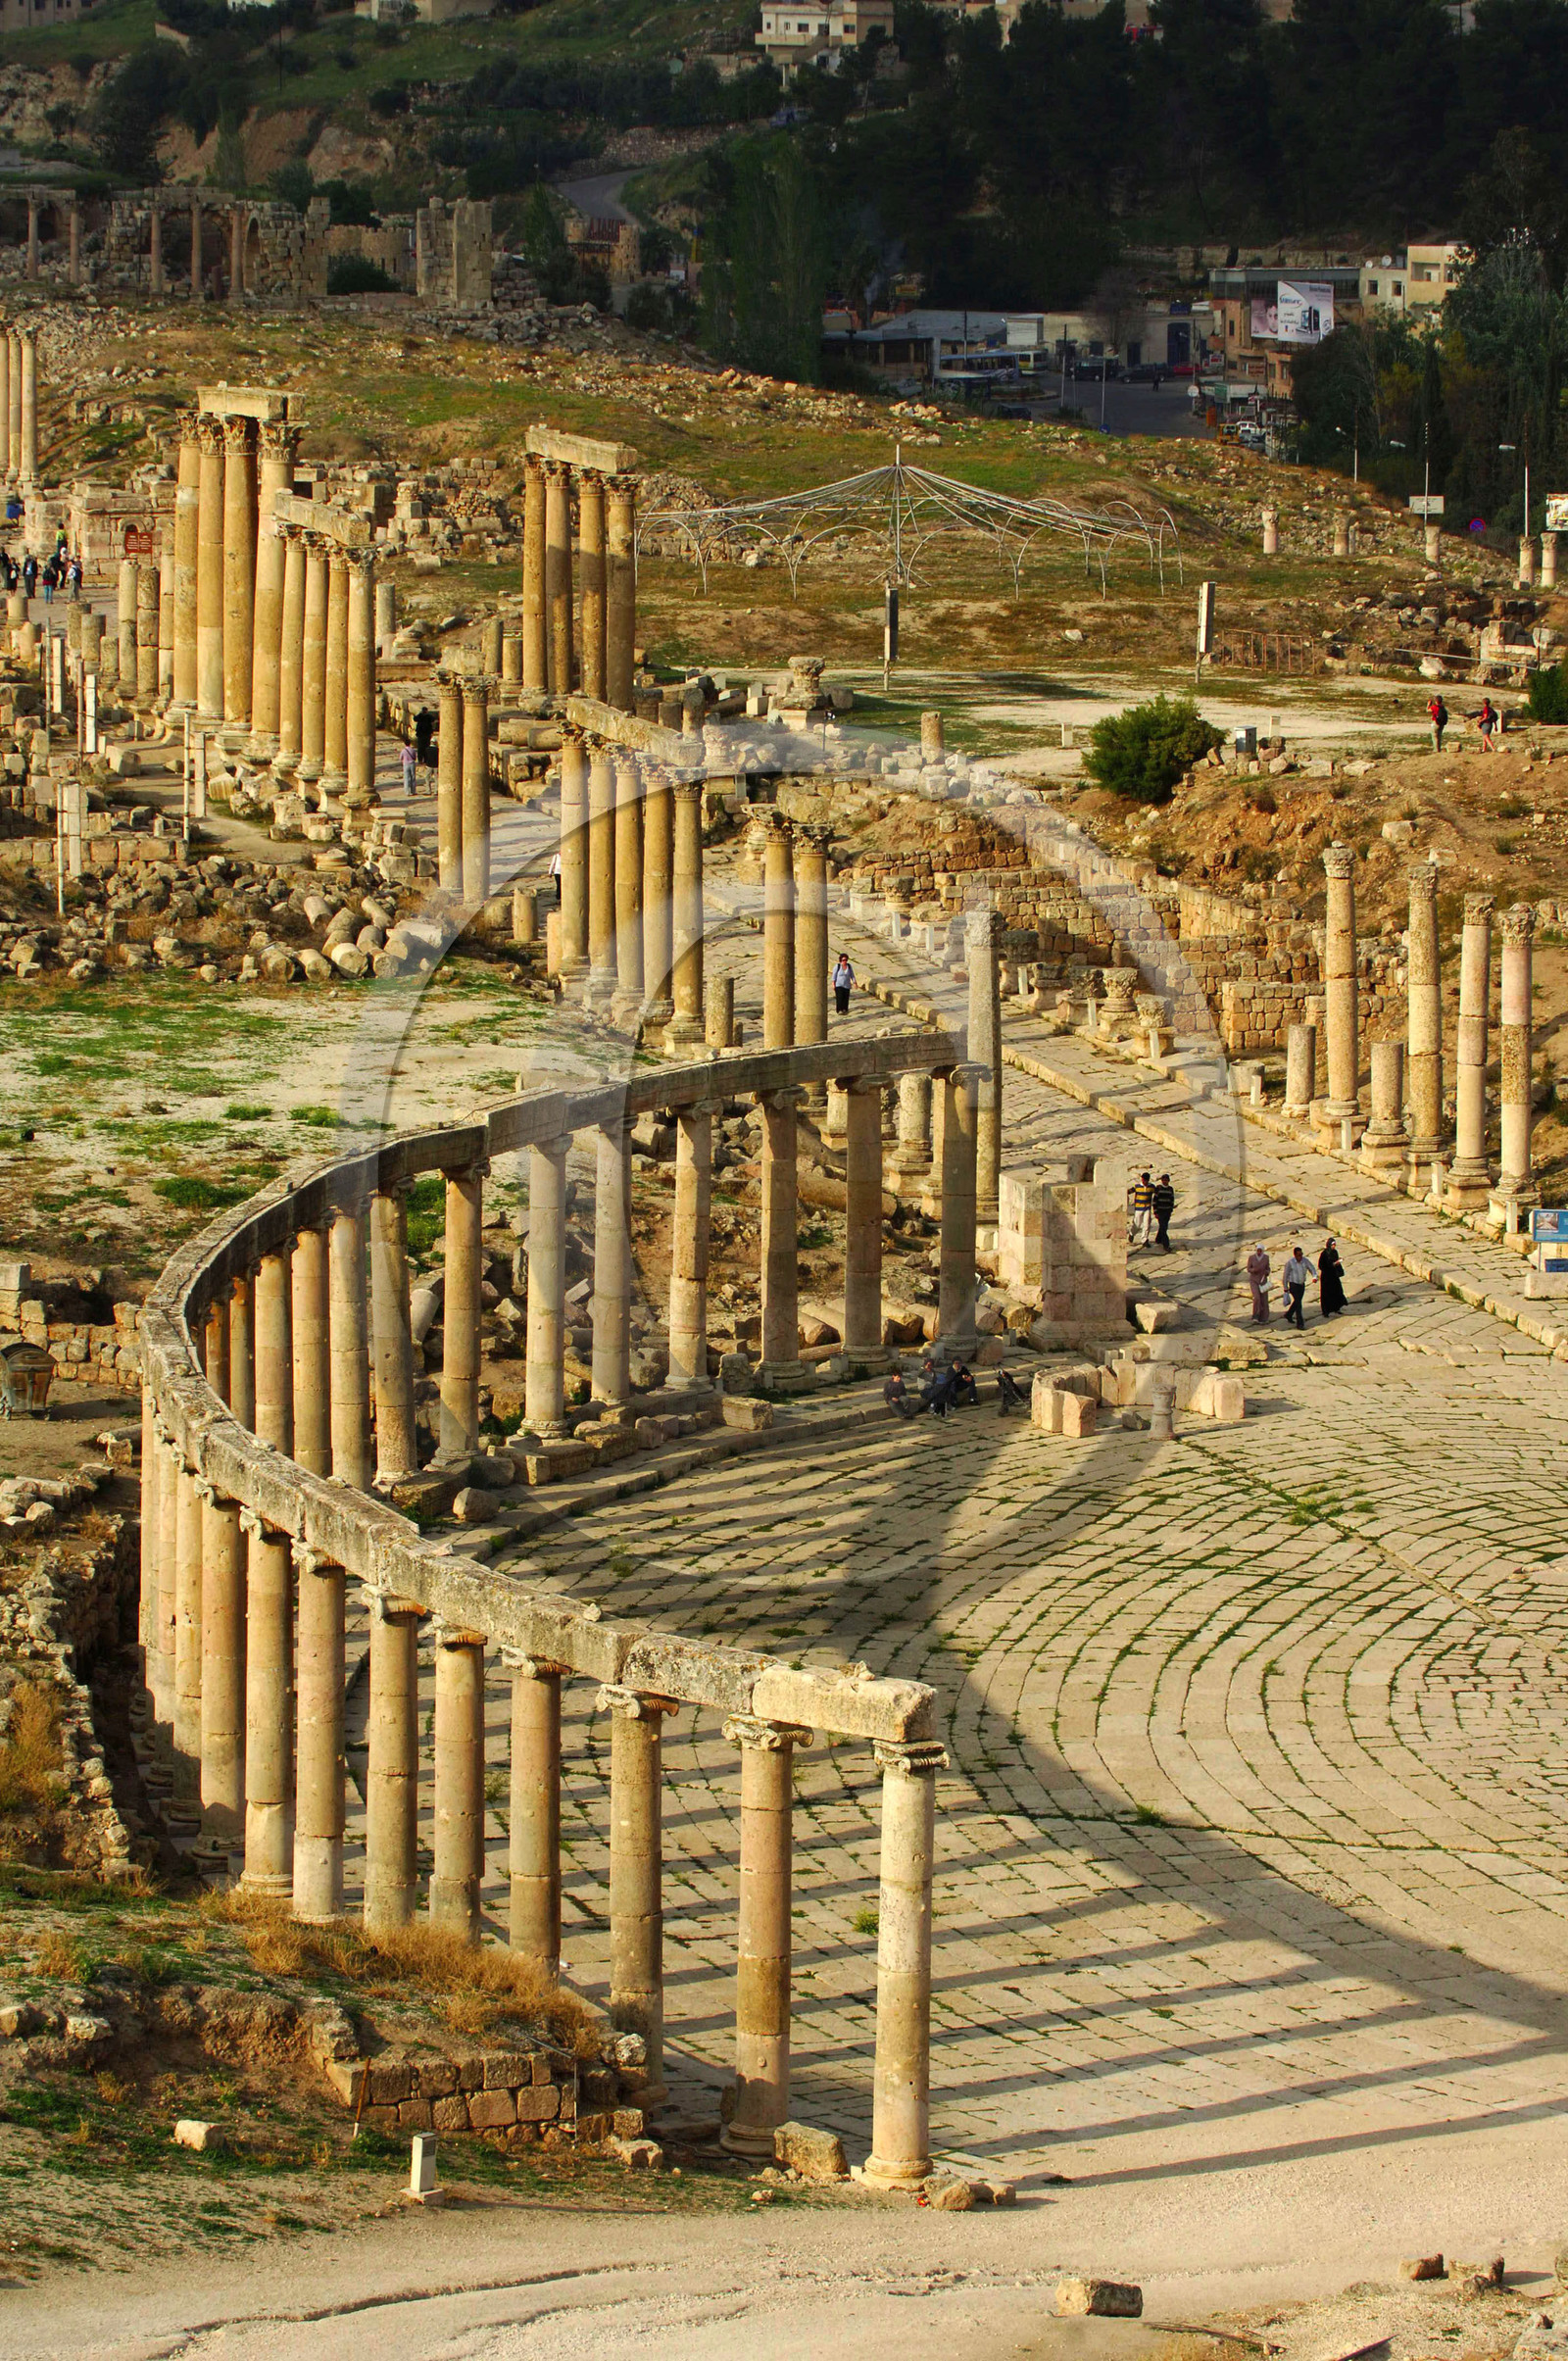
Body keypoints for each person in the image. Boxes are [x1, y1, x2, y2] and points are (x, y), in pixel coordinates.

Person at [1281, 1242, 1314, 1329]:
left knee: (1297, 1302)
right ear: (1295, 1255)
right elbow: (1285, 1275)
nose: (1300, 1257)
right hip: (1293, 1285)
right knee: (1298, 1304)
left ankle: (1289, 1314)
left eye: (1301, 1254)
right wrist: (1285, 1287)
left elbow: (1312, 1268)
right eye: (1299, 1255)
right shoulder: (1290, 1263)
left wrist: (1314, 1276)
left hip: (1301, 1285)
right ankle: (1300, 1324)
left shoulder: (1305, 1261)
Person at [1318, 1236, 1347, 1317]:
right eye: (1332, 1245)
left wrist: (1337, 1264)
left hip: (1334, 1276)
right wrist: (1332, 1265)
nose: (1334, 1246)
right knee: (1326, 1294)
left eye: (1334, 1244)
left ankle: (1337, 1308)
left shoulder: (1335, 1252)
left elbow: (1336, 1260)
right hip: (1326, 1277)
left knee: (1337, 1291)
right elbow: (1321, 1265)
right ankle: (1326, 1311)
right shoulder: (1324, 1254)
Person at [1247, 1242, 1271, 1324]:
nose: (1259, 1252)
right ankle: (1255, 1315)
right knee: (1257, 1297)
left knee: (1264, 1299)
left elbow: (1268, 1268)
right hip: (1254, 1280)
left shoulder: (1266, 1258)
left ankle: (1264, 1317)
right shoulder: (1252, 1258)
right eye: (1258, 1250)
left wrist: (1267, 1272)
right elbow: (1248, 1268)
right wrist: (1253, 1270)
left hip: (1263, 1280)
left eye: (1260, 1251)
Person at [1129, 1170, 1154, 1246]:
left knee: (1147, 1224)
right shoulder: (1137, 1187)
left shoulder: (1151, 1187)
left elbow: (1157, 1192)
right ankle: (1131, 1233)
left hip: (1147, 1208)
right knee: (1137, 1224)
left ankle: (1144, 1240)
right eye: (1143, 1180)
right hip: (1138, 1208)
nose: (1144, 1181)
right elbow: (1129, 1191)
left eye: (1146, 1180)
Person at [1152, 1172, 1175, 1251]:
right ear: (1161, 1180)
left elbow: (1172, 1200)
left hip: (1167, 1211)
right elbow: (1155, 1201)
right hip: (1160, 1211)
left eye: (1166, 1180)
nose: (1165, 1181)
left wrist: (1171, 1209)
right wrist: (1155, 1212)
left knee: (1164, 1227)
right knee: (1163, 1228)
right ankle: (1166, 1245)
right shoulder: (1158, 1188)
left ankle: (1158, 1239)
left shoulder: (1170, 1189)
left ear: (1168, 1181)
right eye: (1163, 1180)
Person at [832, 951, 855, 1015]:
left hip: (847, 984)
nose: (844, 961)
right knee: (839, 997)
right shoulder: (837, 966)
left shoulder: (849, 966)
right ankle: (839, 1009)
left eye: (846, 960)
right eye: (843, 960)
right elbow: (834, 975)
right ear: (840, 960)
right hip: (839, 984)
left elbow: (852, 975)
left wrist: (854, 982)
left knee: (845, 997)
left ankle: (845, 1009)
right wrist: (833, 984)